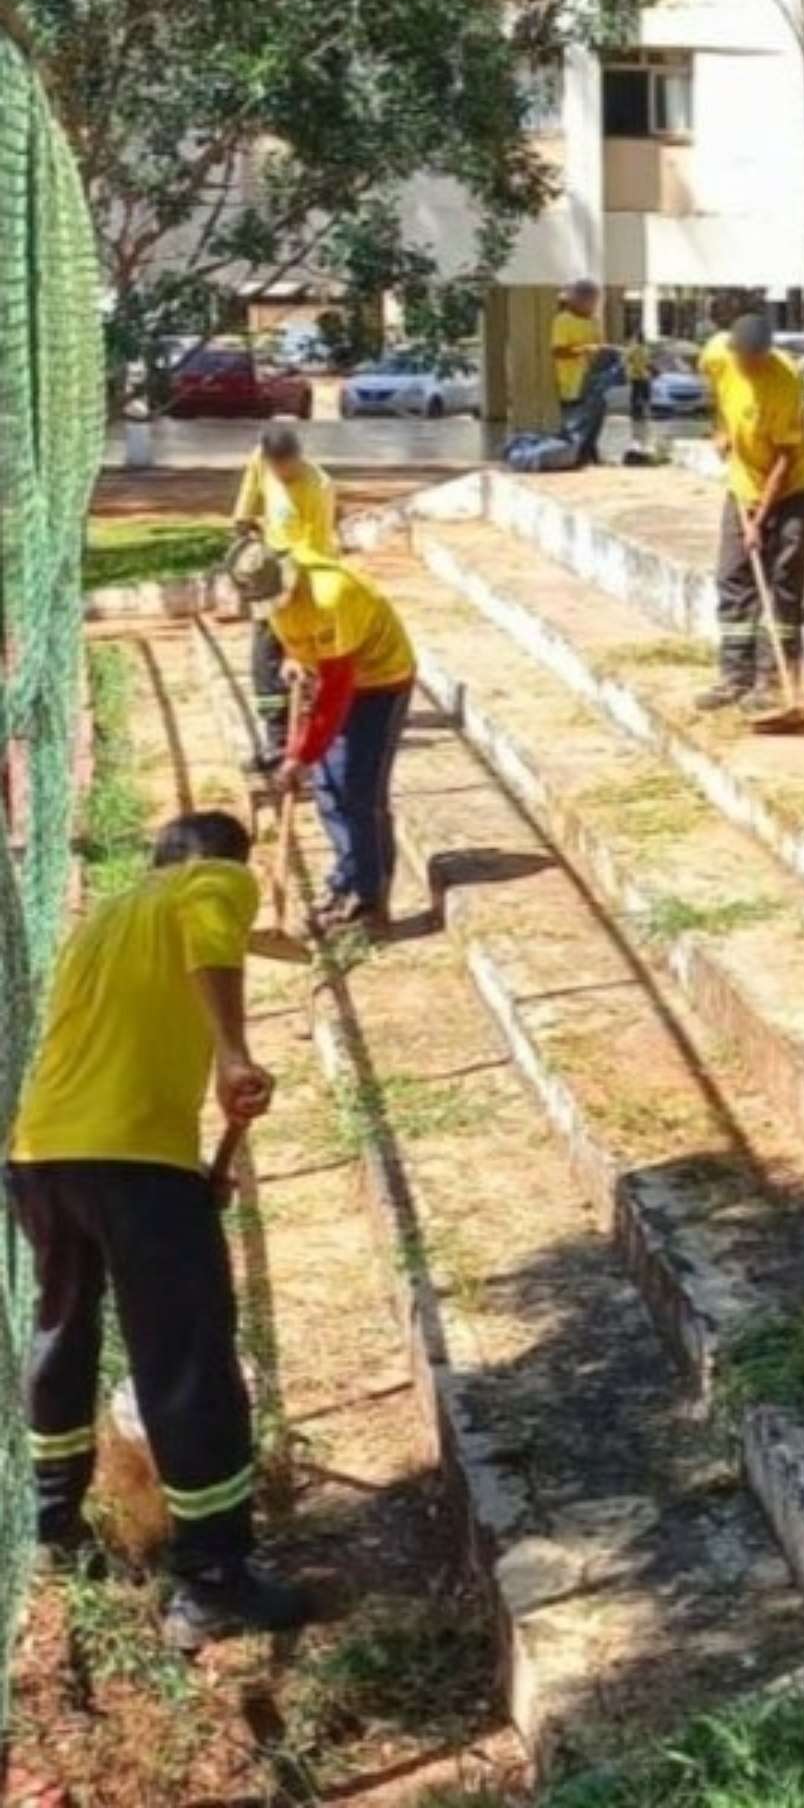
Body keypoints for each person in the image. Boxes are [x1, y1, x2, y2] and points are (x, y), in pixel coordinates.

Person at [5, 811, 308, 1646]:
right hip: (132, 1161)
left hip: (41, 1155)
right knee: (187, 1357)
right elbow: (213, 931)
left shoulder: (103, 919)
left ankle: (53, 1531)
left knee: (62, 1329)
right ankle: (212, 1580)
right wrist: (233, 1051)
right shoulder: (214, 877)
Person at [226, 540, 415, 933]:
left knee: (358, 793)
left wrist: (301, 753)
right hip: (336, 677)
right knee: (330, 789)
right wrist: (297, 659)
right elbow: (295, 637)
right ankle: (346, 882)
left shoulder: (332, 596)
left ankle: (369, 901)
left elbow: (336, 692)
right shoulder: (275, 598)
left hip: (380, 683)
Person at [695, 309, 804, 714]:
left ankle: (770, 677)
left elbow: (785, 461)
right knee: (732, 575)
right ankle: (735, 675)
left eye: (753, 361)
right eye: (741, 359)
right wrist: (719, 428)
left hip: (791, 485)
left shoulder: (783, 383)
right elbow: (714, 389)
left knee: (781, 578)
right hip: (743, 479)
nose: (745, 367)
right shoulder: (718, 354)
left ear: (765, 355)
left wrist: (761, 517)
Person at [231, 423, 339, 769]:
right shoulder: (260, 461)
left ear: (298, 457)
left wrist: (298, 592)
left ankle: (316, 732)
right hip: (269, 571)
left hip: (304, 574)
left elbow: (319, 547)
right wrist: (243, 525)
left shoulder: (317, 487)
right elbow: (247, 503)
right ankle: (275, 738)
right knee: (265, 656)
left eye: (289, 466)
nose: (283, 473)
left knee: (306, 656)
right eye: (277, 468)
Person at [551, 278, 605, 466]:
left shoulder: (594, 321)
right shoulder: (563, 320)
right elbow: (558, 351)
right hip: (572, 382)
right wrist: (584, 350)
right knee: (576, 421)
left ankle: (590, 453)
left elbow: (599, 345)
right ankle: (572, 455)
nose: (594, 306)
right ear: (579, 300)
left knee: (596, 417)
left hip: (594, 379)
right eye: (592, 301)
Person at [625, 327, 652, 425]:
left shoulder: (637, 348)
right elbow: (628, 359)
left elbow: (627, 359)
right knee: (640, 394)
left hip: (639, 375)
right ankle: (637, 413)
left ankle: (638, 413)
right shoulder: (640, 348)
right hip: (639, 375)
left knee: (639, 394)